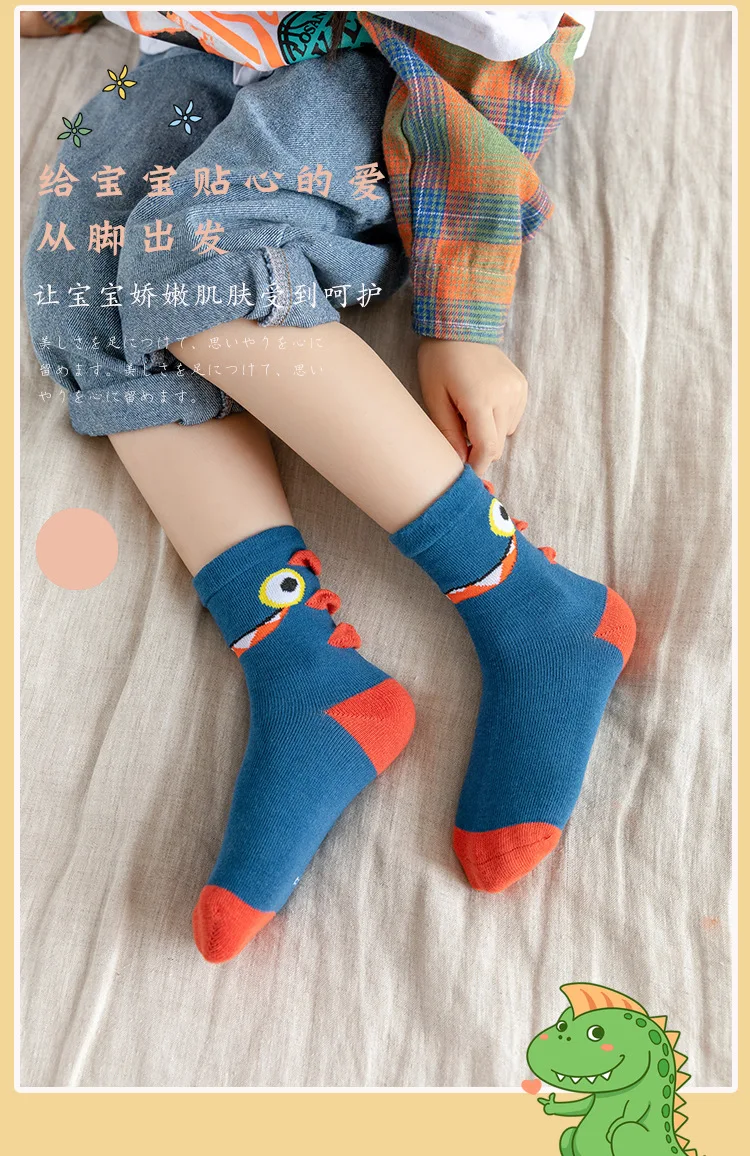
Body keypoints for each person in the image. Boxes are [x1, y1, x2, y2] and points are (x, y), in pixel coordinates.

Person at [23, 9, 634, 964]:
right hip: (185, 48)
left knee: (199, 260)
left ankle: (529, 599)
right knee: (77, 290)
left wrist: (462, 313)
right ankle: (302, 665)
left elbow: (504, 47)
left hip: (378, 52)